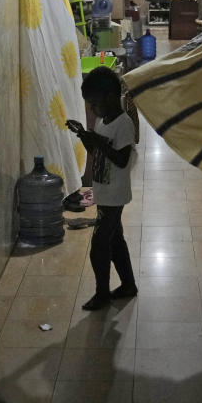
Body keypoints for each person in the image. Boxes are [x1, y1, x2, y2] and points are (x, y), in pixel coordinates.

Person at [67, 67, 138, 311]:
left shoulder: (123, 124)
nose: (92, 110)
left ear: (109, 98)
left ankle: (102, 294)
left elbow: (121, 160)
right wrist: (85, 136)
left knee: (99, 247)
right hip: (103, 190)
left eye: (94, 104)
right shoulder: (101, 120)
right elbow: (96, 152)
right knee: (115, 240)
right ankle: (128, 285)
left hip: (115, 195)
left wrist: (98, 141)